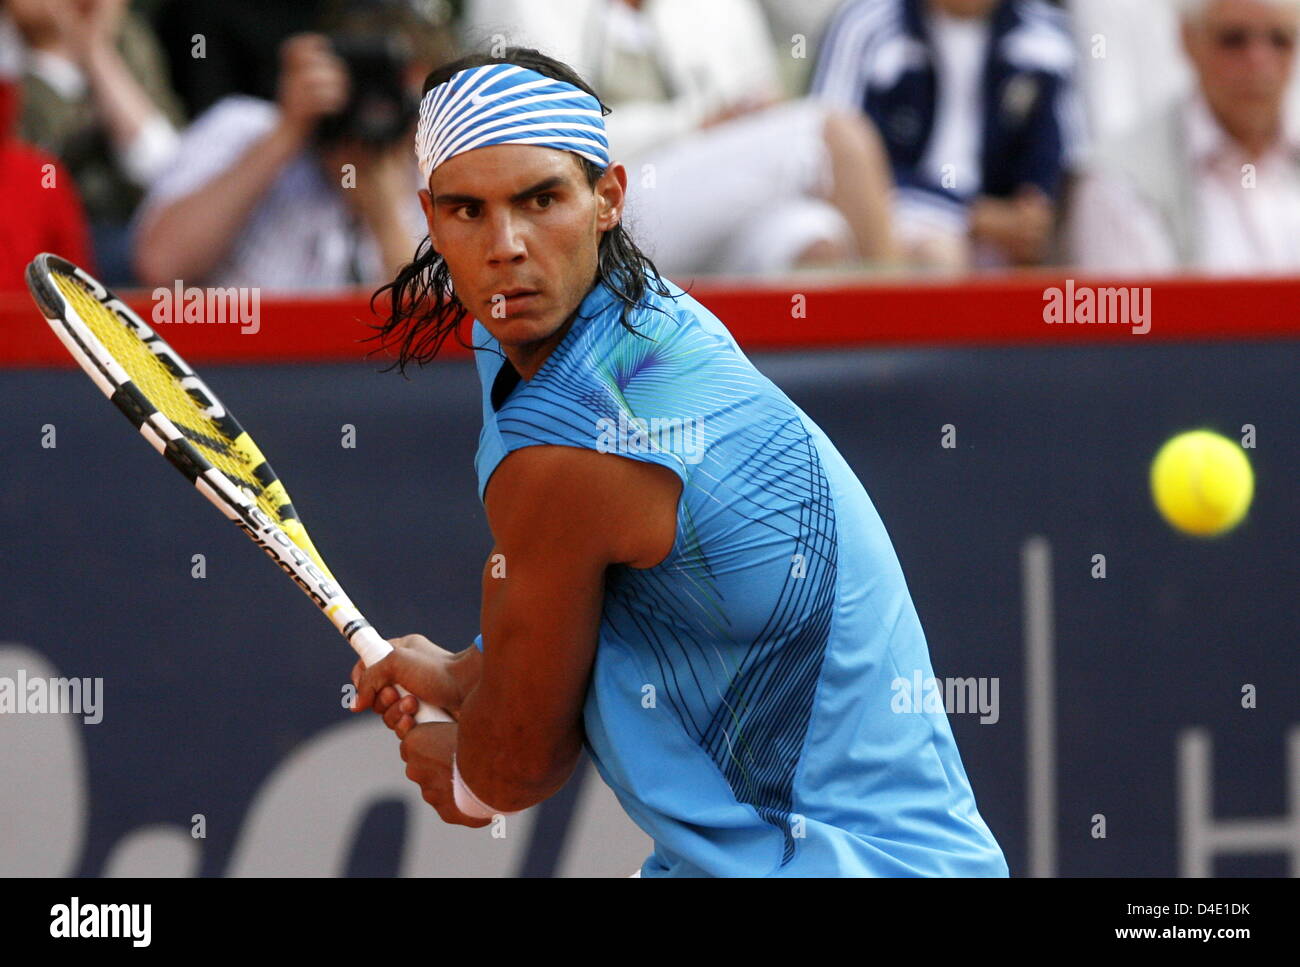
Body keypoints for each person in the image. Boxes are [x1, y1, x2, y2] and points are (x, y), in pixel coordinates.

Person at [351, 46, 1008, 877]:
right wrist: (462, 673)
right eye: (466, 211)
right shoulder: (636, 319)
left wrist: (467, 776)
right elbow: (630, 597)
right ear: (430, 216)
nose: (505, 245)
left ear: (607, 199)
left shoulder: (575, 441)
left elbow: (518, 764)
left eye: (540, 199)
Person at [460, 0, 898, 277]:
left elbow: (760, 102)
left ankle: (820, 409)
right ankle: (904, 369)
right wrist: (694, 125)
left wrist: (742, 119)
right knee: (836, 138)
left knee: (813, 239)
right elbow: (535, 147)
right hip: (592, 210)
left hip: (703, 204)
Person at [131, 4, 455, 292]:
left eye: (386, 82)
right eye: (357, 78)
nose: (369, 102)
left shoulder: (446, 171)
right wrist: (287, 133)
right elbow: (161, 266)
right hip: (243, 355)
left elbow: (437, 341)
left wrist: (383, 216)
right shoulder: (243, 128)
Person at [811, 0, 1088, 271]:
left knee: (1099, 216)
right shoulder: (865, 21)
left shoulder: (1046, 35)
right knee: (937, 255)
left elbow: (1061, 159)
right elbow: (828, 154)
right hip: (893, 220)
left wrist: (1032, 214)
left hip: (1007, 239)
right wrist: (969, 215)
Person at [1067, 0, 1300, 274]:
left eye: (1280, 40)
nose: (1259, 61)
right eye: (1233, 40)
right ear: (1188, 39)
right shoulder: (1120, 180)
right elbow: (1140, 311)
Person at [8, 0, 185, 285]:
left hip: (137, 232)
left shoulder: (128, 43)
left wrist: (96, 54)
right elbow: (33, 180)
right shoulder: (12, 70)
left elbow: (166, 169)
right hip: (51, 242)